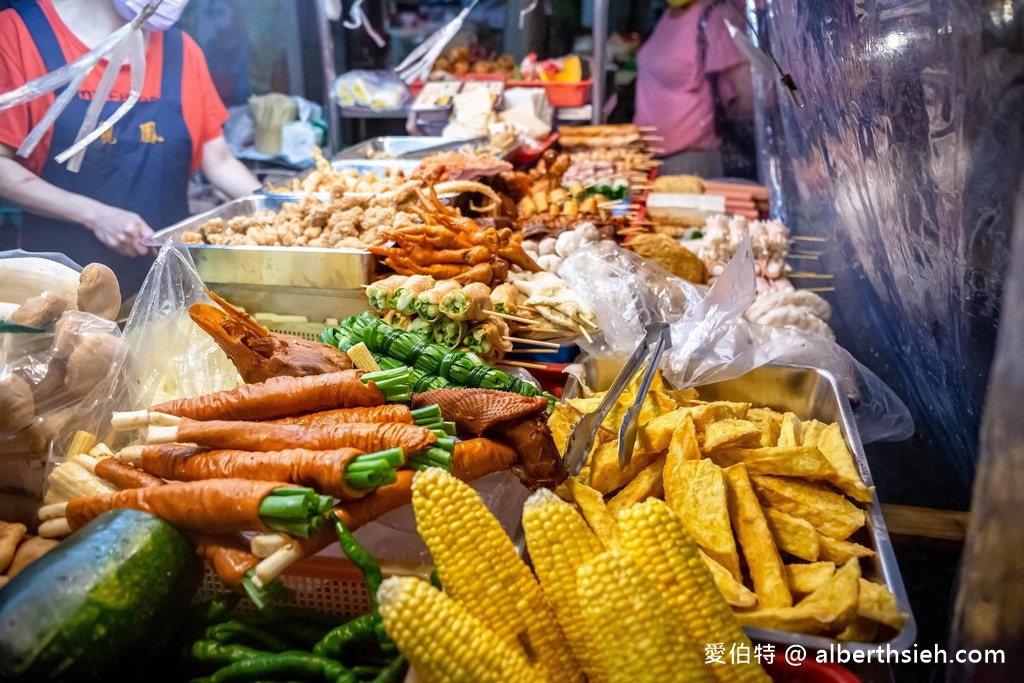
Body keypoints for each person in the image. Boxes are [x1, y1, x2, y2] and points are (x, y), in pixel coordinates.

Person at [0, 0, 261, 295]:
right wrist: (96, 215)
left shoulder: (182, 50)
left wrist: (277, 206)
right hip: (59, 294)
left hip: (166, 293)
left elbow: (220, 161)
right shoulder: (21, 33)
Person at [634, 0, 755, 179]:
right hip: (652, 159)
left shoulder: (716, 17)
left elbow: (749, 96)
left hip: (690, 161)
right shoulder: (669, 15)